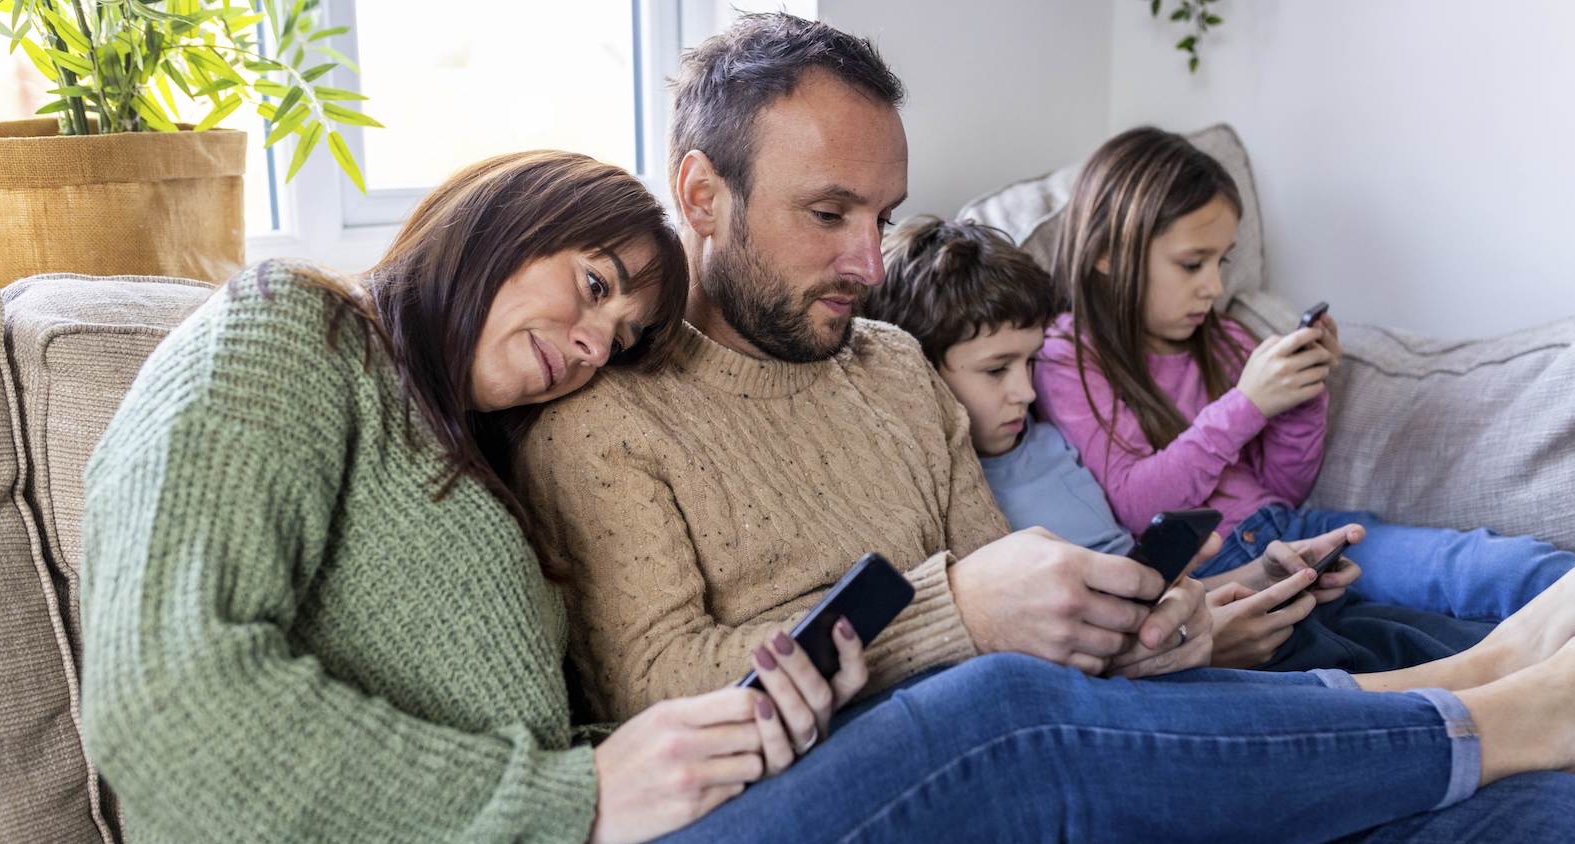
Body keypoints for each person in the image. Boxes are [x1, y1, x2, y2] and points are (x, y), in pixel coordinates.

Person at [521, 13, 1575, 841]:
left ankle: (1466, 705)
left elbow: (1008, 587)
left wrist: (1136, 634)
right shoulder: (606, 419)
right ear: (703, 195)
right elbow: (651, 691)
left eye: (883, 219)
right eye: (829, 213)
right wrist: (957, 614)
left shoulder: (890, 366)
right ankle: (1477, 698)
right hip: (878, 782)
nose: (870, 267)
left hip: (1082, 750)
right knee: (1010, 702)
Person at [80, 149, 881, 844]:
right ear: (505, 220)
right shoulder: (288, 328)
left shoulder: (477, 458)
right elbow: (164, 709)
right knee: (999, 707)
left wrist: (720, 738)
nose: (594, 346)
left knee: (928, 714)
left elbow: (520, 751)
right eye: (595, 284)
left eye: (620, 340)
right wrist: (581, 796)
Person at [863, 215, 1492, 672]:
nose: (1027, 392)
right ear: (917, 371)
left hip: (1187, 615)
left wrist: (1264, 573)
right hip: (1161, 661)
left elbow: (1144, 582)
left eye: (1029, 363)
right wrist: (1207, 630)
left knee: (1395, 625)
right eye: (997, 369)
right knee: (1368, 648)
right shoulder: (955, 493)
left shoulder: (1045, 441)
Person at [1036, 126, 1574, 624]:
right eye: (1191, 263)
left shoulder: (1224, 341)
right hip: (1212, 577)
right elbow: (1138, 504)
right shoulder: (1068, 357)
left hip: (1297, 533)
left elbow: (1283, 487)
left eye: (1221, 262)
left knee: (1484, 566)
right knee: (1420, 637)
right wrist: (1247, 405)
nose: (1212, 287)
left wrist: (1301, 396)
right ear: (1107, 252)